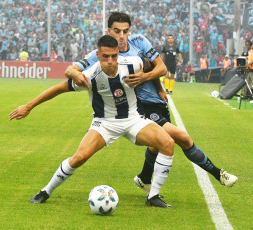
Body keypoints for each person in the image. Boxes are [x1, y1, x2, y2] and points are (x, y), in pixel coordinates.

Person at [65, 12, 238, 197]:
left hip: (154, 102)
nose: (122, 36)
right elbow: (71, 70)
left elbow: (161, 68)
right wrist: (74, 74)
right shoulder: (101, 54)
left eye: (125, 31)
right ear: (109, 31)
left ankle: (144, 178)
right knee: (182, 138)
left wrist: (148, 80)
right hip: (137, 108)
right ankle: (218, 174)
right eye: (117, 31)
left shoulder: (139, 42)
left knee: (157, 145)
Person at [9, 35, 175, 208]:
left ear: (118, 54)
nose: (110, 61)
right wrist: (29, 106)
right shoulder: (89, 76)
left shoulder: (133, 63)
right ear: (98, 54)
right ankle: (46, 190)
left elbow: (153, 68)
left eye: (113, 56)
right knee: (79, 157)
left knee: (167, 143)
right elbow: (58, 89)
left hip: (134, 119)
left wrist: (158, 86)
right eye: (105, 57)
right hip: (105, 123)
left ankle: (153, 196)